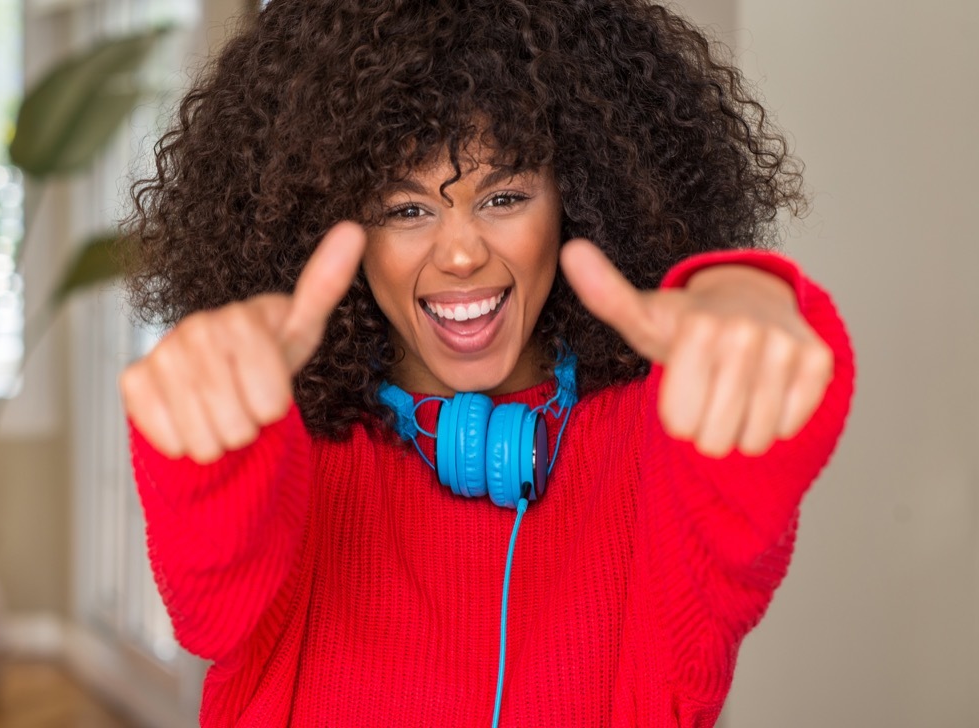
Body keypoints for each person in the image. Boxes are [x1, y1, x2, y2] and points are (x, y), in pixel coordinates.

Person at [118, 0, 855, 725]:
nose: (463, 253)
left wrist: (751, 303)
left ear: (581, 196)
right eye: (407, 209)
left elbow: (753, 438)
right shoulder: (288, 453)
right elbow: (209, 606)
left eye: (504, 196)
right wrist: (208, 428)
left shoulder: (653, 440)